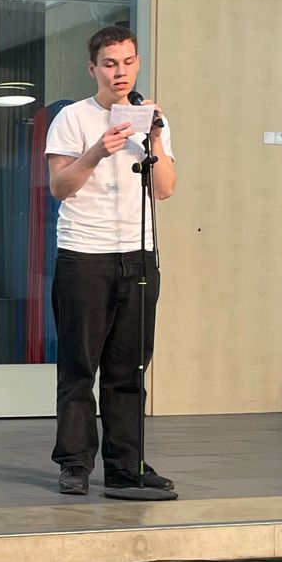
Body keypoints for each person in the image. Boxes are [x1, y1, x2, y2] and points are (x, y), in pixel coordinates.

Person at [44, 25, 177, 500]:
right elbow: (60, 187)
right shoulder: (72, 118)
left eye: (127, 62)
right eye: (109, 64)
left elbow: (164, 189)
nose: (120, 72)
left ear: (137, 63)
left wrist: (154, 138)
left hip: (138, 254)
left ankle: (126, 466)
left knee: (129, 368)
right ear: (93, 68)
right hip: (84, 254)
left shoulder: (153, 119)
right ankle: (75, 463)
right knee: (79, 366)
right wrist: (97, 151)